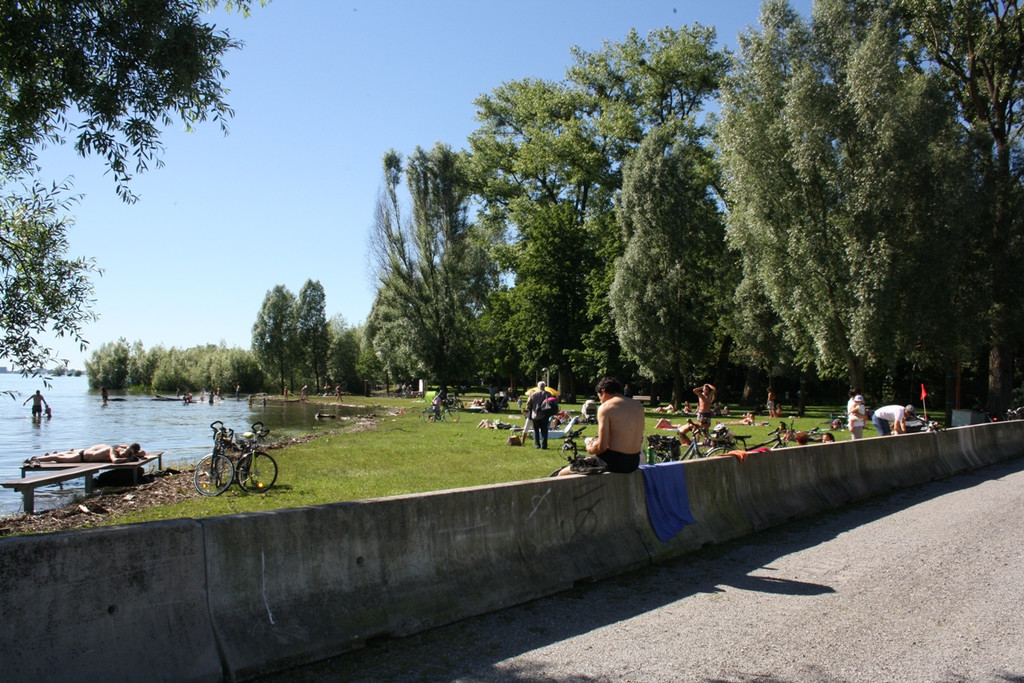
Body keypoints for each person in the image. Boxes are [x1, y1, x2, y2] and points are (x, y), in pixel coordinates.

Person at [556, 376, 644, 476]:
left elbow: (602, 447)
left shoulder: (606, 408)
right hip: (633, 462)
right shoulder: (638, 406)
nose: (601, 401)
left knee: (562, 474)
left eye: (600, 397)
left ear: (603, 392)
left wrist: (590, 448)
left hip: (614, 463)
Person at [26, 443, 146, 466]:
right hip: (81, 457)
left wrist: (132, 455)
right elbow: (114, 461)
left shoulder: (123, 450)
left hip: (84, 455)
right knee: (57, 458)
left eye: (128, 453)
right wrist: (128, 459)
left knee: (59, 457)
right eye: (125, 452)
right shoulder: (113, 450)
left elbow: (142, 452)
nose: (125, 455)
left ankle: (39, 458)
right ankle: (36, 459)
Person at [526, 382, 552, 449]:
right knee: (544, 431)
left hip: (535, 415)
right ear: (544, 386)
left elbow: (528, 404)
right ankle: (544, 445)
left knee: (536, 431)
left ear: (538, 387)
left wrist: (531, 408)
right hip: (545, 415)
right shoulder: (548, 394)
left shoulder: (534, 394)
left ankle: (537, 445)